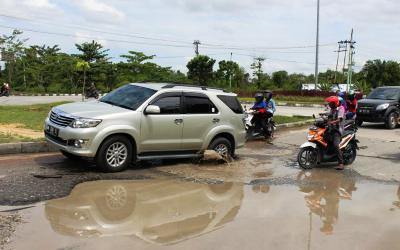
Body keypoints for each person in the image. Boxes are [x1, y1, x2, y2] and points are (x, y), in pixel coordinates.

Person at [325, 96, 345, 170]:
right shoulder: (332, 109)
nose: (329, 104)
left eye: (331, 103)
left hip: (337, 130)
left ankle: (341, 163)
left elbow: (339, 119)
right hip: (331, 129)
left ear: (335, 103)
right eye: (329, 103)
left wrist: (332, 122)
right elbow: (329, 117)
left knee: (335, 145)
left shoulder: (341, 109)